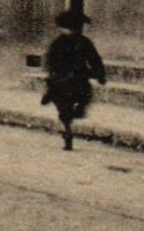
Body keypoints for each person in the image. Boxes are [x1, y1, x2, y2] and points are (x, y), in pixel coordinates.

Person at [41, 11, 106, 151]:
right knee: (67, 103)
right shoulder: (63, 43)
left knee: (78, 99)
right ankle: (68, 129)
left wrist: (100, 74)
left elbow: (94, 59)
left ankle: (72, 116)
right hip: (67, 80)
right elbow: (51, 62)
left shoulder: (80, 42)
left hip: (75, 79)